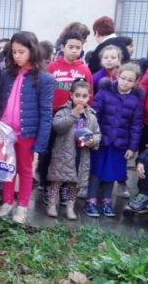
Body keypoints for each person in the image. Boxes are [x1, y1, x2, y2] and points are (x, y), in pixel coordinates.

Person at [0, 31, 53, 224]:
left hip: (27, 133)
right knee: (7, 168)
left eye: (21, 51)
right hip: (5, 132)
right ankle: (7, 203)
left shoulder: (44, 79)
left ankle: (23, 207)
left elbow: (46, 113)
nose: (16, 55)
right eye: (14, 52)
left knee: (25, 170)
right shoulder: (6, 74)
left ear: (32, 51)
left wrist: (40, 143)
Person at [86, 63, 143, 217]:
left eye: (130, 80)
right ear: (117, 76)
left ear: (136, 83)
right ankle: (91, 200)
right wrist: (92, 137)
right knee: (96, 171)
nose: (125, 82)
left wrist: (132, 147)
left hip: (119, 144)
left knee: (111, 173)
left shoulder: (135, 101)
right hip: (101, 141)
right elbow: (93, 115)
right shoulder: (104, 93)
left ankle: (106, 201)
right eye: (123, 78)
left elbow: (136, 126)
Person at [46, 80, 100, 220]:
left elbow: (97, 133)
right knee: (56, 181)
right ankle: (52, 204)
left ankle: (70, 207)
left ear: (89, 97)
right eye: (77, 95)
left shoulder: (92, 116)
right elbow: (58, 126)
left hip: (81, 155)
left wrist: (93, 141)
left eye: (84, 96)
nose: (80, 99)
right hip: (63, 154)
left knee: (74, 184)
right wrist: (73, 114)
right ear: (71, 95)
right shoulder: (63, 111)